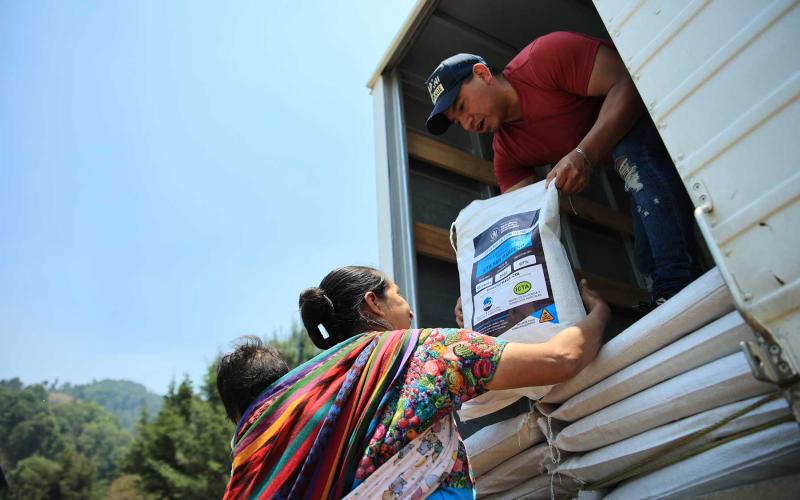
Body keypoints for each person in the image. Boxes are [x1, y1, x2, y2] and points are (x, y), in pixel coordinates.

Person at [220, 265, 610, 499]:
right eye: (399, 294)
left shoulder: (308, 398)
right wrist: (600, 312)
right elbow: (562, 357)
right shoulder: (427, 349)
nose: (408, 307)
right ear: (374, 303)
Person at [425, 32, 700, 306]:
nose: (467, 123)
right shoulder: (507, 153)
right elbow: (518, 229)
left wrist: (584, 154)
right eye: (457, 122)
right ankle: (668, 295)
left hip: (668, 109)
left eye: (462, 107)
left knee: (630, 157)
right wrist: (477, 292)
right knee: (646, 256)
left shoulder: (544, 58)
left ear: (483, 74)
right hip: (638, 166)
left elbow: (628, 82)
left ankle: (679, 288)